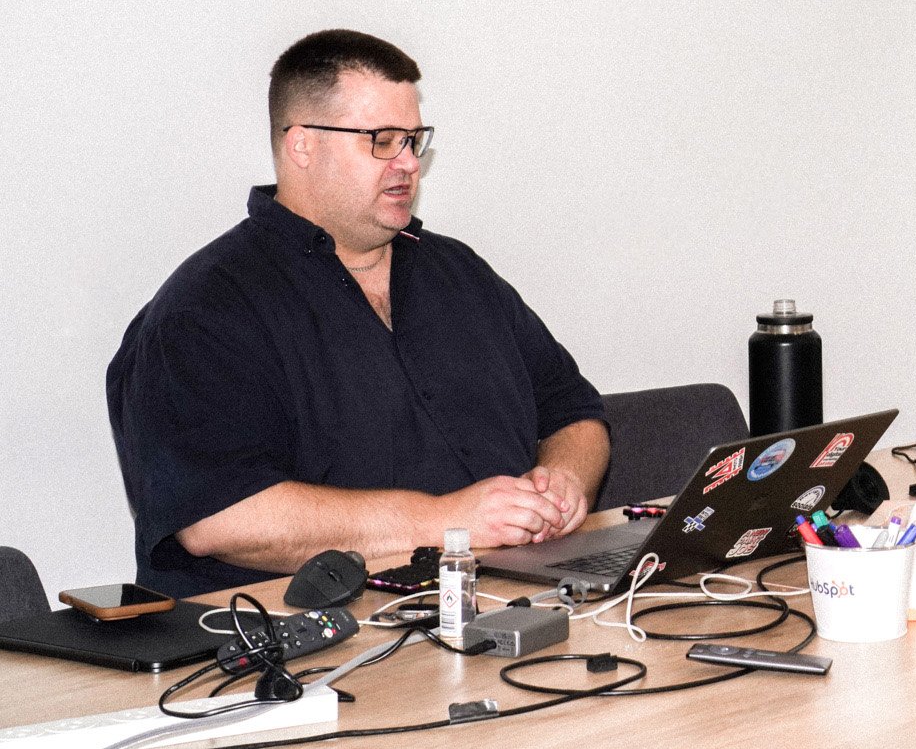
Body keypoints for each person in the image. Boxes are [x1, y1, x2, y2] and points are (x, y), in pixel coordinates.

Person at [106, 30, 611, 597]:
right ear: (302, 146)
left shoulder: (458, 273)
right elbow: (217, 518)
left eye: (414, 141)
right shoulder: (205, 310)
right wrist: (445, 522)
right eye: (382, 141)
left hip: (509, 601)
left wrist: (565, 480)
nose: (407, 164)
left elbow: (574, 410)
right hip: (300, 637)